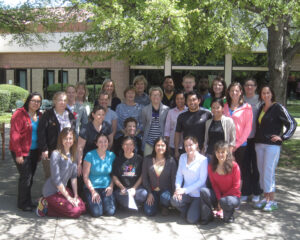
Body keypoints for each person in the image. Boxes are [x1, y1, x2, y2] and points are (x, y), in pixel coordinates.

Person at [254, 85, 297, 212]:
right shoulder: (261, 108)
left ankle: (272, 200)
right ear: (261, 95)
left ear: (272, 94)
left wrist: (283, 137)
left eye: (268, 93)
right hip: (259, 144)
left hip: (272, 146)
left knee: (269, 171)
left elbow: (292, 123)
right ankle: (265, 197)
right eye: (263, 93)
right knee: (262, 172)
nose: (265, 95)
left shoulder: (278, 107)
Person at [36, 128, 86, 218]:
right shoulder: (56, 154)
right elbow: (57, 180)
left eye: (70, 138)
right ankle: (46, 206)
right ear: (61, 140)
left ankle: (56, 205)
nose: (68, 141)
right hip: (51, 192)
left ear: (74, 139)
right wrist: (68, 198)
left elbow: (74, 177)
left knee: (82, 207)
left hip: (62, 190)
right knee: (76, 211)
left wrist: (75, 195)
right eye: (65, 138)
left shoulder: (73, 154)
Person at [10, 92, 42, 211]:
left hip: (34, 151)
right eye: (33, 100)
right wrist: (18, 154)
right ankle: (23, 203)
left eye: (38, 101)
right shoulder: (19, 114)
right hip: (21, 151)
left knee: (30, 176)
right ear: (28, 101)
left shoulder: (40, 115)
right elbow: (14, 135)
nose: (36, 103)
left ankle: (27, 200)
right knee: (26, 177)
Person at [223, 82, 252, 201]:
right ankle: (228, 193)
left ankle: (240, 194)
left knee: (240, 170)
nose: (234, 93)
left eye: (236, 91)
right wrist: (228, 145)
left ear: (241, 92)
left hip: (241, 145)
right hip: (225, 145)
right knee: (227, 170)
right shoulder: (225, 106)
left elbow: (248, 128)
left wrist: (236, 144)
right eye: (232, 91)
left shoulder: (247, 107)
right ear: (228, 93)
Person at [200, 141, 241, 224]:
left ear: (227, 153)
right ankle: (208, 216)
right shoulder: (211, 167)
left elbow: (236, 187)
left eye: (222, 152)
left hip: (232, 197)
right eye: (218, 152)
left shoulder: (234, 166)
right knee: (203, 191)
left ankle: (229, 215)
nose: (220, 154)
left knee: (225, 203)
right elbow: (214, 185)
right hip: (219, 195)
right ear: (215, 153)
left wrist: (221, 200)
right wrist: (219, 199)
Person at [38, 91, 76, 179]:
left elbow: (73, 132)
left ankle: (64, 192)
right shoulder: (47, 115)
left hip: (68, 151)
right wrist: (44, 149)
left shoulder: (70, 115)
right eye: (60, 100)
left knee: (66, 175)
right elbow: (41, 132)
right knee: (52, 176)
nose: (63, 102)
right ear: (54, 101)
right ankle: (50, 193)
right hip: (52, 151)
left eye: (65, 100)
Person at [171, 136, 208, 224]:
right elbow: (179, 175)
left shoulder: (203, 160)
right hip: (185, 194)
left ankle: (189, 211)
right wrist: (178, 189)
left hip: (197, 195)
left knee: (191, 219)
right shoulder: (182, 157)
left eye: (190, 145)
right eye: (186, 145)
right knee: (173, 200)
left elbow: (202, 181)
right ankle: (187, 210)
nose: (188, 148)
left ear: (196, 145)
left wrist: (184, 190)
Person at [83, 133, 116, 217]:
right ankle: (88, 202)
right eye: (100, 142)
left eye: (105, 141)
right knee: (97, 213)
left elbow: (114, 174)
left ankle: (104, 202)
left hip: (106, 187)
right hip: (93, 187)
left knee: (110, 212)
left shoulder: (112, 155)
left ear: (108, 142)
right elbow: (85, 176)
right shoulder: (90, 155)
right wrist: (93, 191)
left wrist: (111, 186)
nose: (103, 144)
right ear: (96, 143)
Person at [142, 137, 177, 216]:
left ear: (166, 147)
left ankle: (165, 206)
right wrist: (149, 193)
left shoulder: (171, 160)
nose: (160, 147)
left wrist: (174, 192)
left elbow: (174, 179)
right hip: (152, 190)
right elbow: (144, 178)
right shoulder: (147, 159)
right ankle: (156, 203)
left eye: (162, 145)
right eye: (158, 145)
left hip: (166, 191)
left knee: (165, 198)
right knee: (149, 212)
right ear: (154, 147)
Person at [77, 105, 113, 177]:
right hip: (89, 159)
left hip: (103, 157)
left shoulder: (107, 126)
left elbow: (110, 143)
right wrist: (79, 164)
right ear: (93, 115)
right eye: (99, 114)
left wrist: (105, 157)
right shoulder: (86, 128)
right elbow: (80, 147)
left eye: (103, 114)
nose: (101, 116)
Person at [174, 91, 212, 160]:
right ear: (186, 102)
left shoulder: (207, 115)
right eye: (189, 100)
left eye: (194, 100)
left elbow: (211, 133)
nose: (192, 102)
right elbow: (177, 133)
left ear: (199, 101)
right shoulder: (182, 116)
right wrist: (176, 150)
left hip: (203, 151)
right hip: (187, 151)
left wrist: (206, 147)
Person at [112, 136, 147, 210]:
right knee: (119, 195)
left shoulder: (139, 159)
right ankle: (128, 204)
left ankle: (129, 204)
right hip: (123, 189)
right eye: (126, 144)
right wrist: (122, 187)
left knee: (143, 194)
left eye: (131, 144)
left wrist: (134, 188)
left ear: (134, 146)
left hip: (136, 188)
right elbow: (114, 176)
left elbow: (142, 175)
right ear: (122, 146)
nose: (128, 147)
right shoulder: (117, 160)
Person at [242, 79, 262, 203]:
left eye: (252, 85)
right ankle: (245, 191)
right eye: (247, 85)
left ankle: (256, 192)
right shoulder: (241, 99)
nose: (249, 87)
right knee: (244, 166)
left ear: (255, 87)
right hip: (243, 138)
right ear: (244, 87)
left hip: (256, 138)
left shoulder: (260, 100)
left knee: (256, 166)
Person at [141, 86, 169, 156]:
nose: (155, 97)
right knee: (147, 161)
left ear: (161, 96)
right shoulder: (145, 109)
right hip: (148, 141)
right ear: (150, 96)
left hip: (161, 141)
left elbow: (167, 125)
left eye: (157, 95)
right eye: (153, 95)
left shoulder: (167, 109)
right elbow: (143, 125)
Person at [164, 91, 188, 158]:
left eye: (181, 98)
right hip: (172, 145)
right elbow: (167, 130)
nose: (179, 100)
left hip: (186, 145)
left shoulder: (189, 111)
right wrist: (167, 145)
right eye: (177, 99)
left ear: (185, 100)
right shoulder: (170, 112)